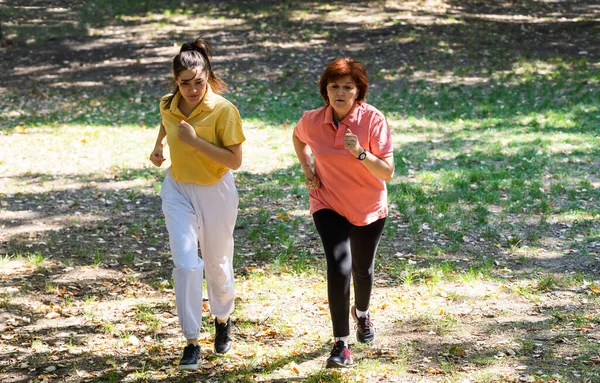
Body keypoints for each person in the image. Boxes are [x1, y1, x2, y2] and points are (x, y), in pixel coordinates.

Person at [149, 37, 245, 370]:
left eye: (198, 82)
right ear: (175, 82)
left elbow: (235, 161)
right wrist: (159, 146)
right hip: (177, 189)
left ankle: (222, 319)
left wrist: (195, 142)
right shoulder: (168, 103)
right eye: (184, 83)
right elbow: (167, 119)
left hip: (215, 189)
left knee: (218, 261)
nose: (192, 89)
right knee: (187, 264)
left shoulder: (223, 110)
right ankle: (191, 341)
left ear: (208, 75)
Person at [292, 57, 394, 368]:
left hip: (367, 207)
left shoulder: (374, 121)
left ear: (358, 91)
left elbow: (387, 172)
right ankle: (341, 344)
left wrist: (360, 153)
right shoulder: (313, 120)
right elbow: (298, 138)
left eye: (347, 87)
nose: (340, 93)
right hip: (328, 202)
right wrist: (307, 168)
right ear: (325, 90)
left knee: (362, 271)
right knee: (339, 266)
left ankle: (362, 314)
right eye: (334, 86)